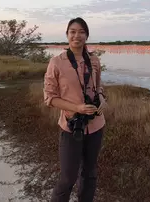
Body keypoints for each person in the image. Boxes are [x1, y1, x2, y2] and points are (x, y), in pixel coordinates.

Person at [43, 17, 108, 202]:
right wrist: (77, 107)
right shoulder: (57, 62)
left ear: (86, 36)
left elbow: (98, 86)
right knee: (67, 178)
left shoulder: (94, 60)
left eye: (81, 32)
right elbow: (49, 97)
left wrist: (102, 98)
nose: (76, 35)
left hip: (96, 125)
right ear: (67, 35)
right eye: (73, 31)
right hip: (71, 127)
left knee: (90, 173)